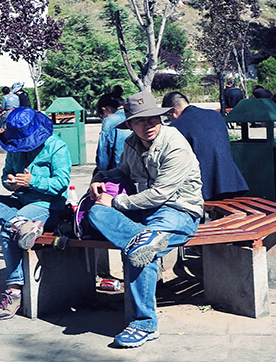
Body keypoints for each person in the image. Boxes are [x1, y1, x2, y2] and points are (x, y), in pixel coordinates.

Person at [87, 91, 203, 348]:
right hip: (144, 211)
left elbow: (161, 194)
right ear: (129, 124)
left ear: (161, 119)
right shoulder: (131, 143)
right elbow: (123, 172)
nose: (148, 124)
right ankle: (143, 240)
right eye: (140, 120)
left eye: (153, 118)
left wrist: (116, 202)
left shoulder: (174, 144)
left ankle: (144, 324)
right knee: (96, 212)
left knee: (141, 251)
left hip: (178, 211)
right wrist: (101, 178)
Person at [0, 108, 71, 321]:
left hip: (47, 205)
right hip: (21, 202)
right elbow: (5, 175)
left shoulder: (57, 147)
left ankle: (14, 290)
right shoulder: (14, 147)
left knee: (5, 232)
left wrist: (33, 182)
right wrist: (10, 182)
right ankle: (19, 223)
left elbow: (62, 183)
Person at [161, 91, 248, 201]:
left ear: (173, 112)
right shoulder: (215, 115)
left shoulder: (176, 127)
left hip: (204, 188)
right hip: (232, 181)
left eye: (168, 118)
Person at [95, 85, 132, 171]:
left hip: (119, 173)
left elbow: (103, 160)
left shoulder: (109, 122)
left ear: (105, 110)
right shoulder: (133, 116)